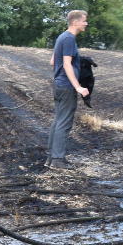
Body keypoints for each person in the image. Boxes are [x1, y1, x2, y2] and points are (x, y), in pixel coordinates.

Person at [46, 10, 90, 170]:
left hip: (59, 84)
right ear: (75, 22)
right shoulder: (69, 38)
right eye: (84, 20)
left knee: (58, 120)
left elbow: (53, 61)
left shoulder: (62, 37)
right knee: (64, 122)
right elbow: (66, 64)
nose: (86, 23)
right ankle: (57, 160)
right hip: (66, 86)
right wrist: (78, 86)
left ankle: (51, 158)